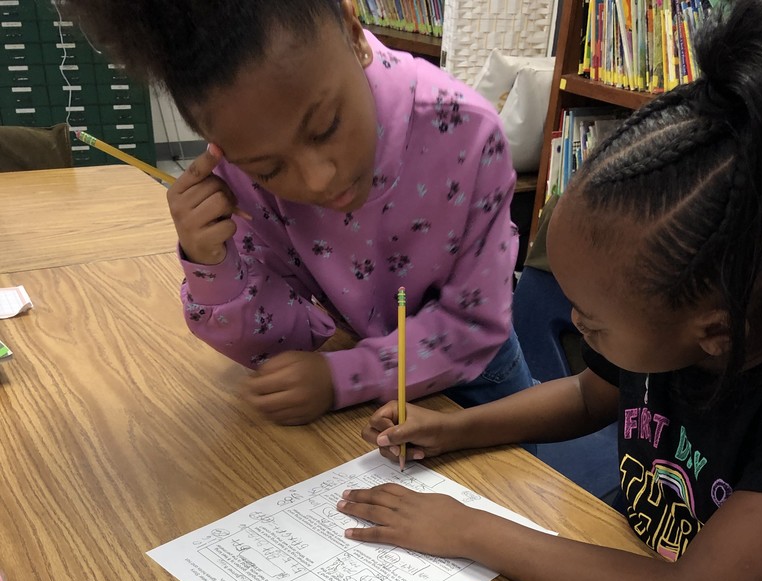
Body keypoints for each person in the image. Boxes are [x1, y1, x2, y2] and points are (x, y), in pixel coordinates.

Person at [336, 0, 762, 581]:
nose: (570, 326)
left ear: (714, 334)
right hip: (636, 552)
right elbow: (587, 396)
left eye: (592, 324)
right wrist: (452, 428)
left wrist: (472, 530)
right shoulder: (676, 326)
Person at [61, 0, 533, 425]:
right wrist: (212, 265)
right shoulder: (237, 173)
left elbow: (474, 325)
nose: (317, 180)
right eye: (268, 169)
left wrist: (343, 376)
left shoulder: (466, 132)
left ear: (352, 31)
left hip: (478, 393)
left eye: (326, 126)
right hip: (361, 411)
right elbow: (284, 346)